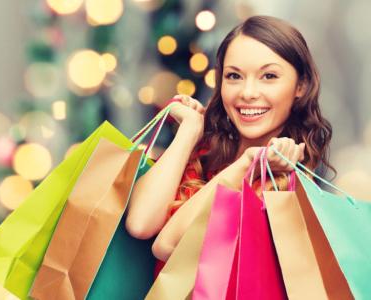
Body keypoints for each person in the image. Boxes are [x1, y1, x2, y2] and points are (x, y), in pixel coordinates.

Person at [125, 15, 334, 275]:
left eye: (268, 76)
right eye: (234, 76)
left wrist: (247, 164)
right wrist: (189, 131)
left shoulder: (289, 189)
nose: (247, 92)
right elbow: (140, 223)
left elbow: (168, 246)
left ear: (300, 85)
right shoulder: (205, 153)